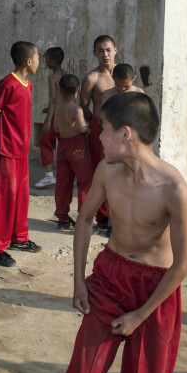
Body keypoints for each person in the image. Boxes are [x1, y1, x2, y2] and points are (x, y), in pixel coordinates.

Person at [44, 92, 187, 373]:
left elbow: (183, 265)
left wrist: (140, 315)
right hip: (110, 278)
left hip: (157, 292)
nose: (98, 138)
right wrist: (79, 280)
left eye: (103, 130)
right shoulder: (107, 170)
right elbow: (85, 219)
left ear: (125, 134)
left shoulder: (172, 187)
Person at [0, 41, 42, 267]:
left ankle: (19, 238)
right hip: (7, 151)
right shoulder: (6, 84)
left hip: (22, 152)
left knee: (21, 196)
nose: (39, 62)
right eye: (38, 58)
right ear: (28, 61)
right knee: (5, 198)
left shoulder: (27, 85)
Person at [80, 34, 117, 233]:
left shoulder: (123, 75)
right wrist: (97, 123)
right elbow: (84, 105)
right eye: (101, 50)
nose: (105, 54)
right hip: (99, 130)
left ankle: (117, 215)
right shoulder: (92, 78)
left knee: (120, 172)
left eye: (108, 50)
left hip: (120, 132)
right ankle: (102, 216)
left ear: (115, 51)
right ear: (95, 53)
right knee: (100, 171)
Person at [52, 73, 93, 231]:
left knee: (63, 182)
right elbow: (82, 127)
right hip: (76, 146)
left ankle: (62, 218)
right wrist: (88, 129)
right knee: (84, 183)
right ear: (79, 89)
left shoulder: (58, 107)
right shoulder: (76, 109)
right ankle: (83, 219)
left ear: (60, 90)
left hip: (62, 145)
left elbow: (55, 128)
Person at [35, 47, 66, 189]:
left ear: (53, 62)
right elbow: (63, 98)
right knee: (64, 146)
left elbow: (53, 99)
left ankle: (49, 176)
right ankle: (68, 175)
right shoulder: (66, 75)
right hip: (65, 115)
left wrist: (48, 119)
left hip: (55, 116)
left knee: (44, 142)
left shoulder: (52, 77)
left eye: (46, 59)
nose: (45, 62)